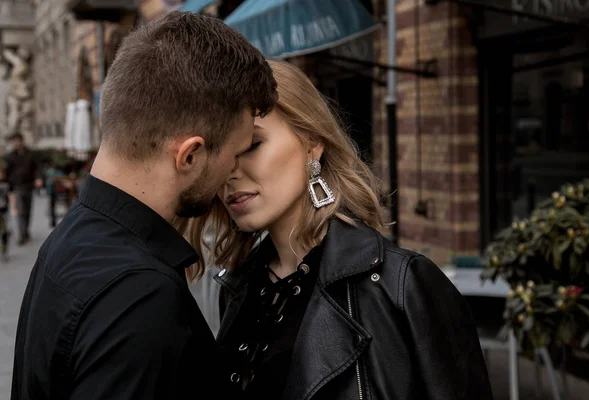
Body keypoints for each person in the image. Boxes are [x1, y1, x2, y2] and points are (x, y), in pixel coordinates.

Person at [182, 60, 493, 400]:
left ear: (311, 143)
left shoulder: (403, 287)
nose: (230, 171)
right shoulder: (239, 287)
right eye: (221, 153)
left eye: (252, 145)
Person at [11, 11, 277, 400]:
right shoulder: (141, 298)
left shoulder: (73, 239)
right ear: (189, 155)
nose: (235, 172)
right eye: (238, 153)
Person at [4, 132, 42, 245]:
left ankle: (25, 231)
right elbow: (7, 172)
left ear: (21, 141)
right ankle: (21, 234)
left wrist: (38, 178)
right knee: (20, 210)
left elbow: (37, 168)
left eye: (17, 141)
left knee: (27, 211)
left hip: (29, 186)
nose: (15, 143)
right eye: (13, 141)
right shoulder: (10, 156)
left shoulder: (30, 154)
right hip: (17, 186)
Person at [0, 165, 13, 260]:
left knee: (4, 231)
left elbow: (11, 195)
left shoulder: (7, 183)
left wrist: (13, 208)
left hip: (4, 210)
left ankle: (4, 251)